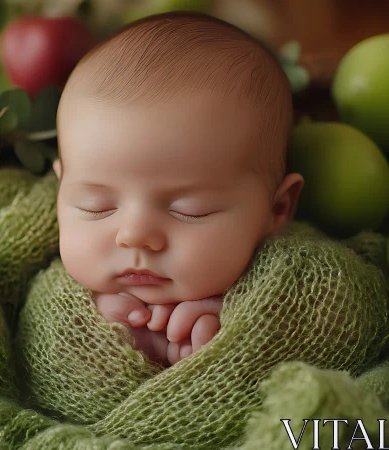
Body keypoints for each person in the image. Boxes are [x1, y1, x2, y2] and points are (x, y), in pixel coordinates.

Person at [52, 11, 303, 366]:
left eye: (190, 210)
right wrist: (92, 326)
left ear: (276, 209)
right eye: (97, 206)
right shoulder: (56, 290)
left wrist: (235, 335)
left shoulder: (293, 284)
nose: (135, 235)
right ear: (60, 187)